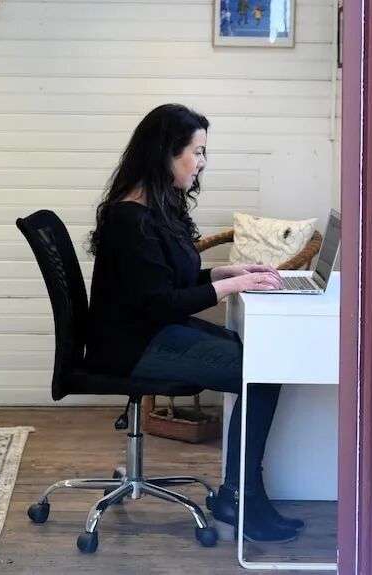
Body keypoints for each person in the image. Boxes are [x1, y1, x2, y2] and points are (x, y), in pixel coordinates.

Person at [85, 104, 304, 543]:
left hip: (148, 332)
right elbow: (161, 303)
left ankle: (240, 493)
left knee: (262, 362)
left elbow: (170, 283)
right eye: (197, 152)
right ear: (167, 152)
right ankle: (243, 498)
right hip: (134, 346)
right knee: (261, 371)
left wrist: (225, 273)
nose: (201, 162)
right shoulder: (130, 219)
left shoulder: (155, 207)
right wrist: (233, 285)